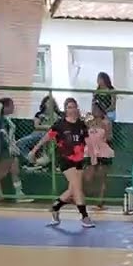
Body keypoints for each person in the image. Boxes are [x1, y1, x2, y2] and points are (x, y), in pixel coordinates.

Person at [31, 97, 94, 228]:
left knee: (72, 190)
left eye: (74, 107)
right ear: (65, 110)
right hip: (65, 160)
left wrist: (93, 155)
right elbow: (46, 137)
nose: (72, 110)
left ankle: (55, 207)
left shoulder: (81, 125)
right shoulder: (60, 125)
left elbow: (87, 141)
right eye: (69, 107)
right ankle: (84, 216)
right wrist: (34, 150)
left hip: (79, 160)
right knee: (77, 188)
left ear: (77, 108)